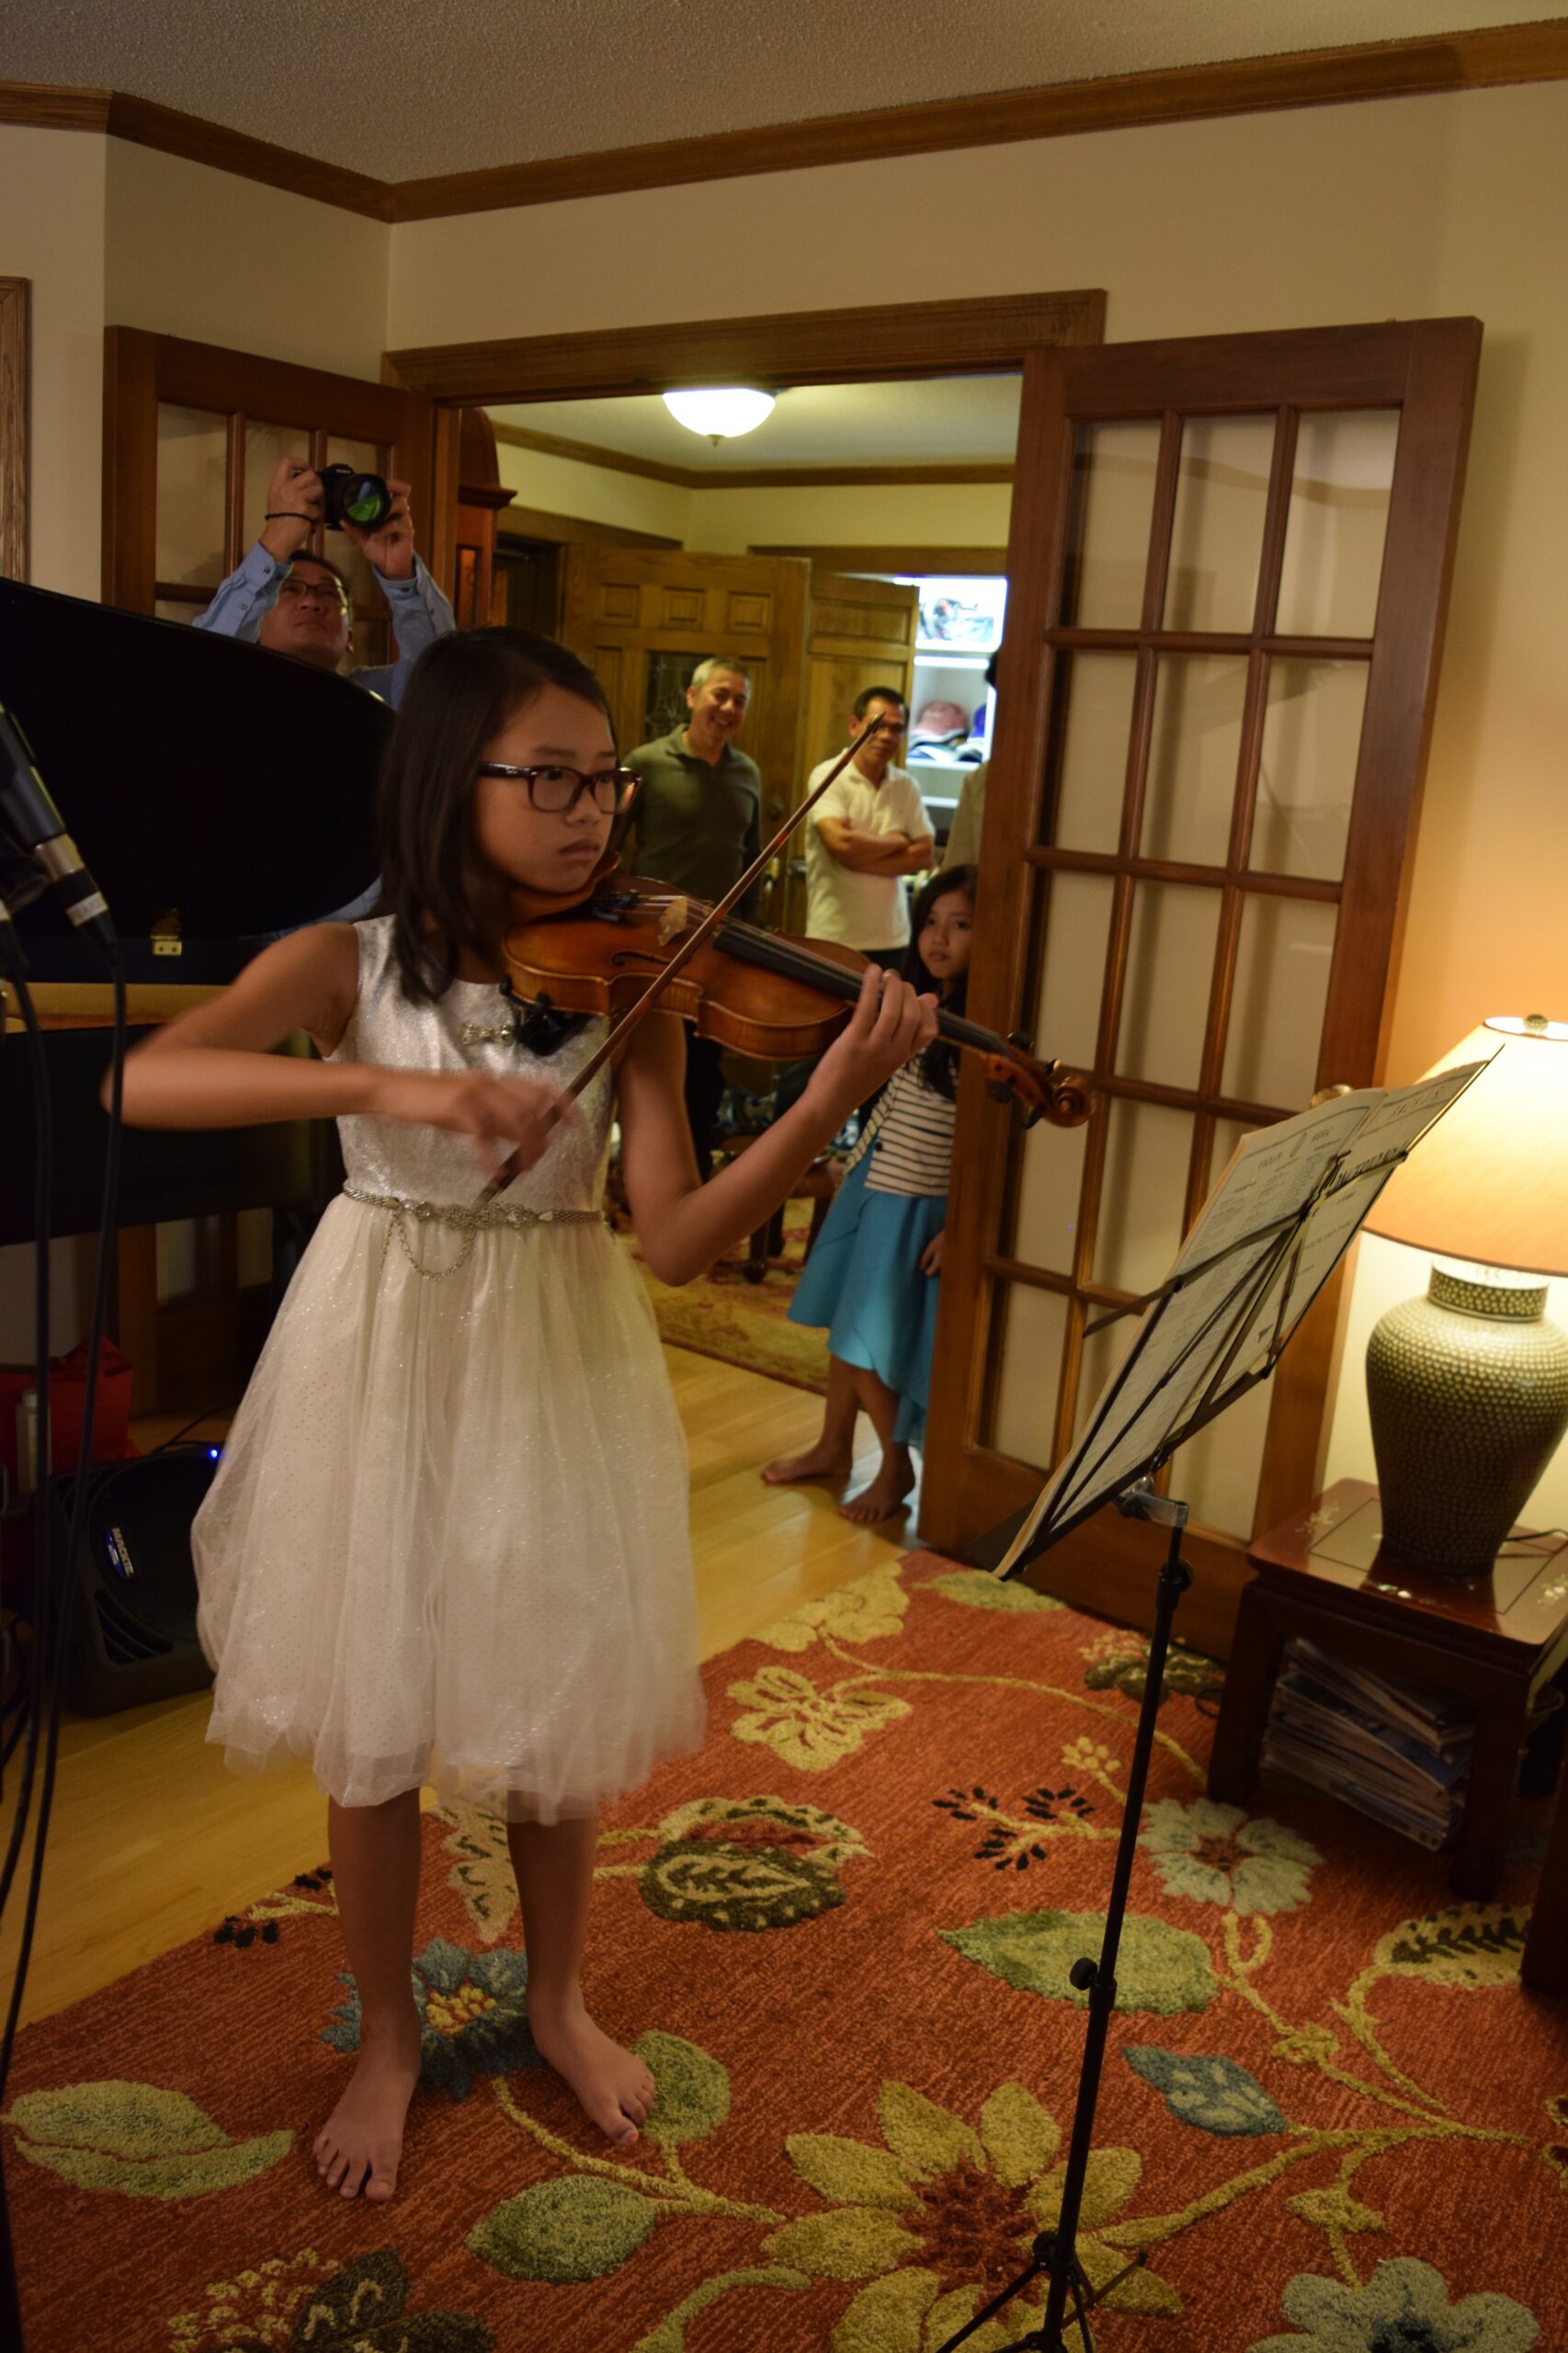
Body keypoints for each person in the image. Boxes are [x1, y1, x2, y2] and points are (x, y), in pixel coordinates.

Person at [112, 628, 934, 2203]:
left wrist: (828, 1101)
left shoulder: (633, 979)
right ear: (448, 779)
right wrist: (394, 1089)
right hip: (380, 1340)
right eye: (547, 778)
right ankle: (388, 2037)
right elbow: (145, 1083)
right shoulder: (344, 966)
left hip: (552, 1353)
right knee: (373, 1721)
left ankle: (558, 1999)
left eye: (602, 781)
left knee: (548, 1703)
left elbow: (676, 1240)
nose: (589, 813)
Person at [764, 864, 975, 1524]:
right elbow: (891, 1103)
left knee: (863, 1336)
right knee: (841, 1323)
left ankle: (894, 1465)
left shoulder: (979, 1032)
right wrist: (848, 1163)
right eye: (930, 921)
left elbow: (989, 1148)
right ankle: (833, 1447)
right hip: (872, 1181)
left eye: (960, 925)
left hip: (912, 1200)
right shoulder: (920, 1007)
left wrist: (962, 1225)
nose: (939, 938)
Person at [623, 658, 766, 1174]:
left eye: (739, 701)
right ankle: (640, 1174)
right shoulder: (645, 762)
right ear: (692, 696)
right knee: (649, 1064)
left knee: (705, 1070)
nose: (728, 708)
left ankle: (695, 1175)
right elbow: (610, 850)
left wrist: (751, 937)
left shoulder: (747, 774)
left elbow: (752, 863)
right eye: (720, 695)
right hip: (652, 945)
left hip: (718, 949)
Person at [193, 455, 455, 709]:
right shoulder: (235, 694)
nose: (311, 602)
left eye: (329, 593)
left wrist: (402, 578)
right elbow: (200, 668)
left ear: (349, 635)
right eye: (291, 589)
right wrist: (274, 544)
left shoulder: (374, 697)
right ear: (257, 625)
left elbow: (444, 680)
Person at [802, 687, 934, 964]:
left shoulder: (906, 785)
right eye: (877, 726)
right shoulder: (828, 775)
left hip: (893, 937)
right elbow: (841, 844)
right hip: (834, 935)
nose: (886, 736)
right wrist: (897, 842)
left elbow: (925, 854)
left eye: (896, 729)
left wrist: (854, 858)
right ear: (854, 726)